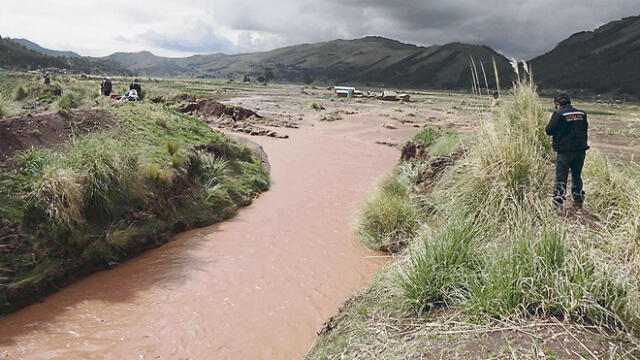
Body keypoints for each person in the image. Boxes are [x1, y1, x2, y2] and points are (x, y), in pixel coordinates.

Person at [545, 94, 589, 209]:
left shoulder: (559, 114)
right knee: (576, 175)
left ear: (557, 104)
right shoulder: (582, 113)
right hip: (580, 150)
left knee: (561, 177)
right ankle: (578, 200)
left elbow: (549, 130)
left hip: (565, 151)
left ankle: (558, 202)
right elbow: (585, 128)